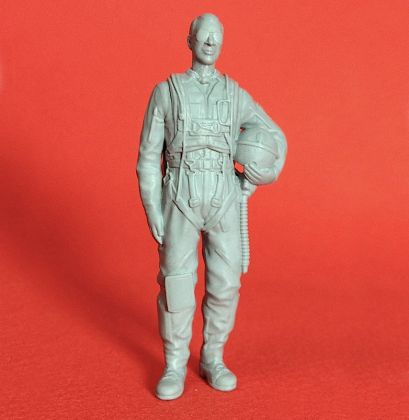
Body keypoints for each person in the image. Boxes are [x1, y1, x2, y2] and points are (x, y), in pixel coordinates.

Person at [137, 13, 286, 400]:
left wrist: (262, 175)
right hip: (180, 198)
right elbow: (148, 158)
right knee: (176, 284)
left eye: (216, 37)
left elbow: (274, 135)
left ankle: (213, 357)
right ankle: (174, 363)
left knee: (226, 283)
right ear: (189, 40)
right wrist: (153, 210)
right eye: (203, 36)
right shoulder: (166, 92)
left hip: (224, 198)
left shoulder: (235, 94)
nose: (209, 43)